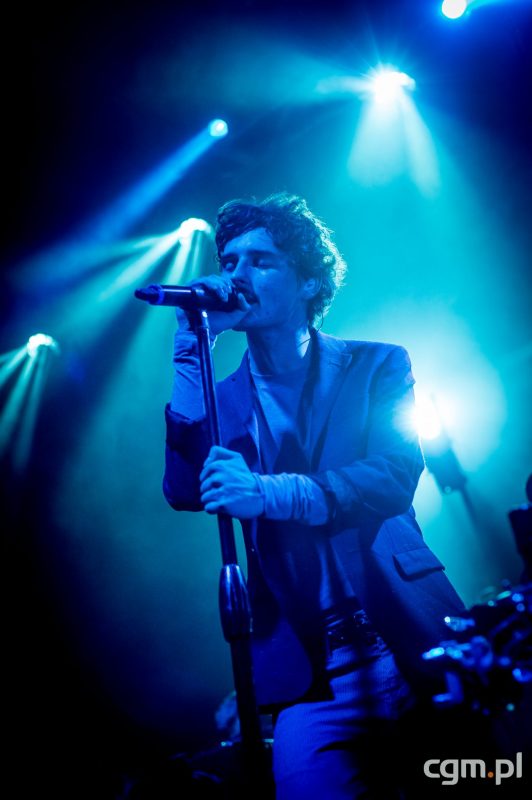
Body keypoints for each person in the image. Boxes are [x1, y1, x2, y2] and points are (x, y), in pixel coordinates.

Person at [163, 193, 466, 799]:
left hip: (408, 636)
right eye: (230, 261)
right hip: (309, 673)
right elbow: (184, 490)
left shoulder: (377, 365)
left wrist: (270, 493)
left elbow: (393, 474)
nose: (237, 275)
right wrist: (191, 353)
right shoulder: (224, 400)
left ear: (308, 282)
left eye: (261, 260)